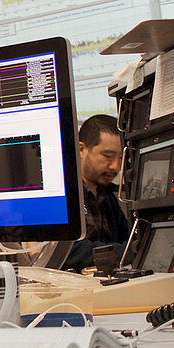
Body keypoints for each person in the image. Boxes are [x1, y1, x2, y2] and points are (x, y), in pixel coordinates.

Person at [64, 114, 129, 272]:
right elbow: (68, 253)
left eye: (121, 158)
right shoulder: (64, 194)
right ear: (81, 149)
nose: (115, 166)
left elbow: (127, 240)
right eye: (107, 156)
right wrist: (127, 252)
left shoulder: (107, 196)